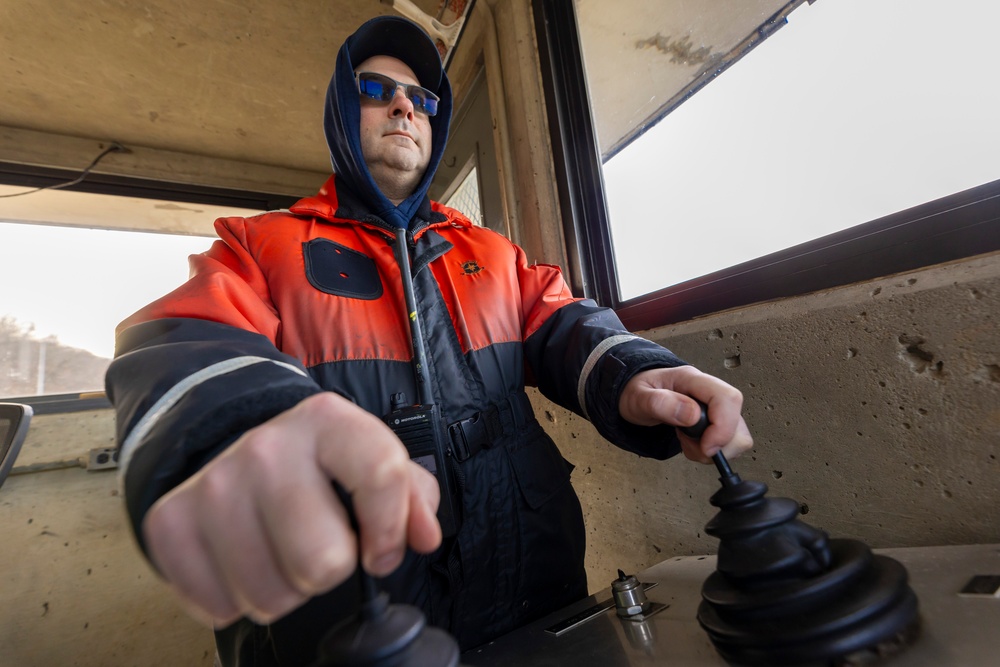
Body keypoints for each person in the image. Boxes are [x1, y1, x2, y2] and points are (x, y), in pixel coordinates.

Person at [105, 14, 752, 667]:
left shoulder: (492, 252)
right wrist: (233, 428)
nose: (403, 105)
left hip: (534, 577)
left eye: (423, 98)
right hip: (358, 609)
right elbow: (184, 337)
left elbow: (562, 319)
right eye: (374, 88)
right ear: (339, 110)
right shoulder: (261, 245)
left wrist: (633, 372)